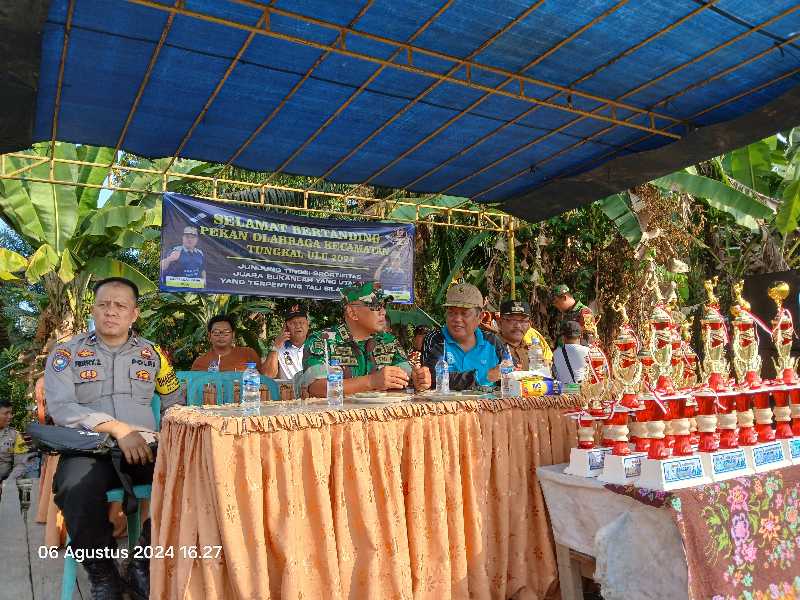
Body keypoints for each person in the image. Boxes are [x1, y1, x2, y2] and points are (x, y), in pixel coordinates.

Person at [45, 277, 184, 600]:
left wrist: (166, 434)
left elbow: (174, 401)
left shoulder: (153, 355)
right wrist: (119, 429)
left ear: (134, 314)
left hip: (145, 450)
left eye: (120, 305)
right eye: (104, 304)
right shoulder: (66, 353)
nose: (111, 312)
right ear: (92, 309)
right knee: (73, 486)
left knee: (190, 476)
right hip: (90, 449)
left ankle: (142, 563)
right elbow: (62, 407)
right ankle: (103, 574)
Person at [302, 281, 430, 397]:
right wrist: (371, 381)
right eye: (375, 306)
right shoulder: (322, 340)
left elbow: (406, 377)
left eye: (384, 305)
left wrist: (418, 379)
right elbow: (316, 388)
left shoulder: (388, 341)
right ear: (352, 313)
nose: (383, 312)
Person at [419, 283, 505, 391]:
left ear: (480, 317)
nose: (457, 319)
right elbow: (432, 378)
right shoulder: (436, 339)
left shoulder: (492, 341)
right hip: (447, 406)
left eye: (464, 314)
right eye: (451, 313)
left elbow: (511, 370)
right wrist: (484, 376)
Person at [191, 315, 261, 372]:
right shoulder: (200, 362)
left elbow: (266, 378)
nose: (221, 335)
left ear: (233, 335)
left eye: (226, 332)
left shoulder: (248, 353)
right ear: (209, 336)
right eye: (216, 332)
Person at [497, 300, 552, 369]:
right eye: (512, 320)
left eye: (523, 321)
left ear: (529, 325)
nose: (518, 326)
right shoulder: (489, 347)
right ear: (499, 322)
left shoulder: (532, 351)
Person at [261, 305, 309, 380]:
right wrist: (276, 347)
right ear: (286, 327)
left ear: (307, 324)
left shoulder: (316, 346)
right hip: (289, 390)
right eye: (293, 323)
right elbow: (267, 375)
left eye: (301, 322)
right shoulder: (279, 348)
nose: (298, 326)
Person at [0, 400, 32, 485]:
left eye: (11, 413)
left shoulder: (16, 436)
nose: (10, 416)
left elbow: (22, 464)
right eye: (6, 413)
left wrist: (7, 484)